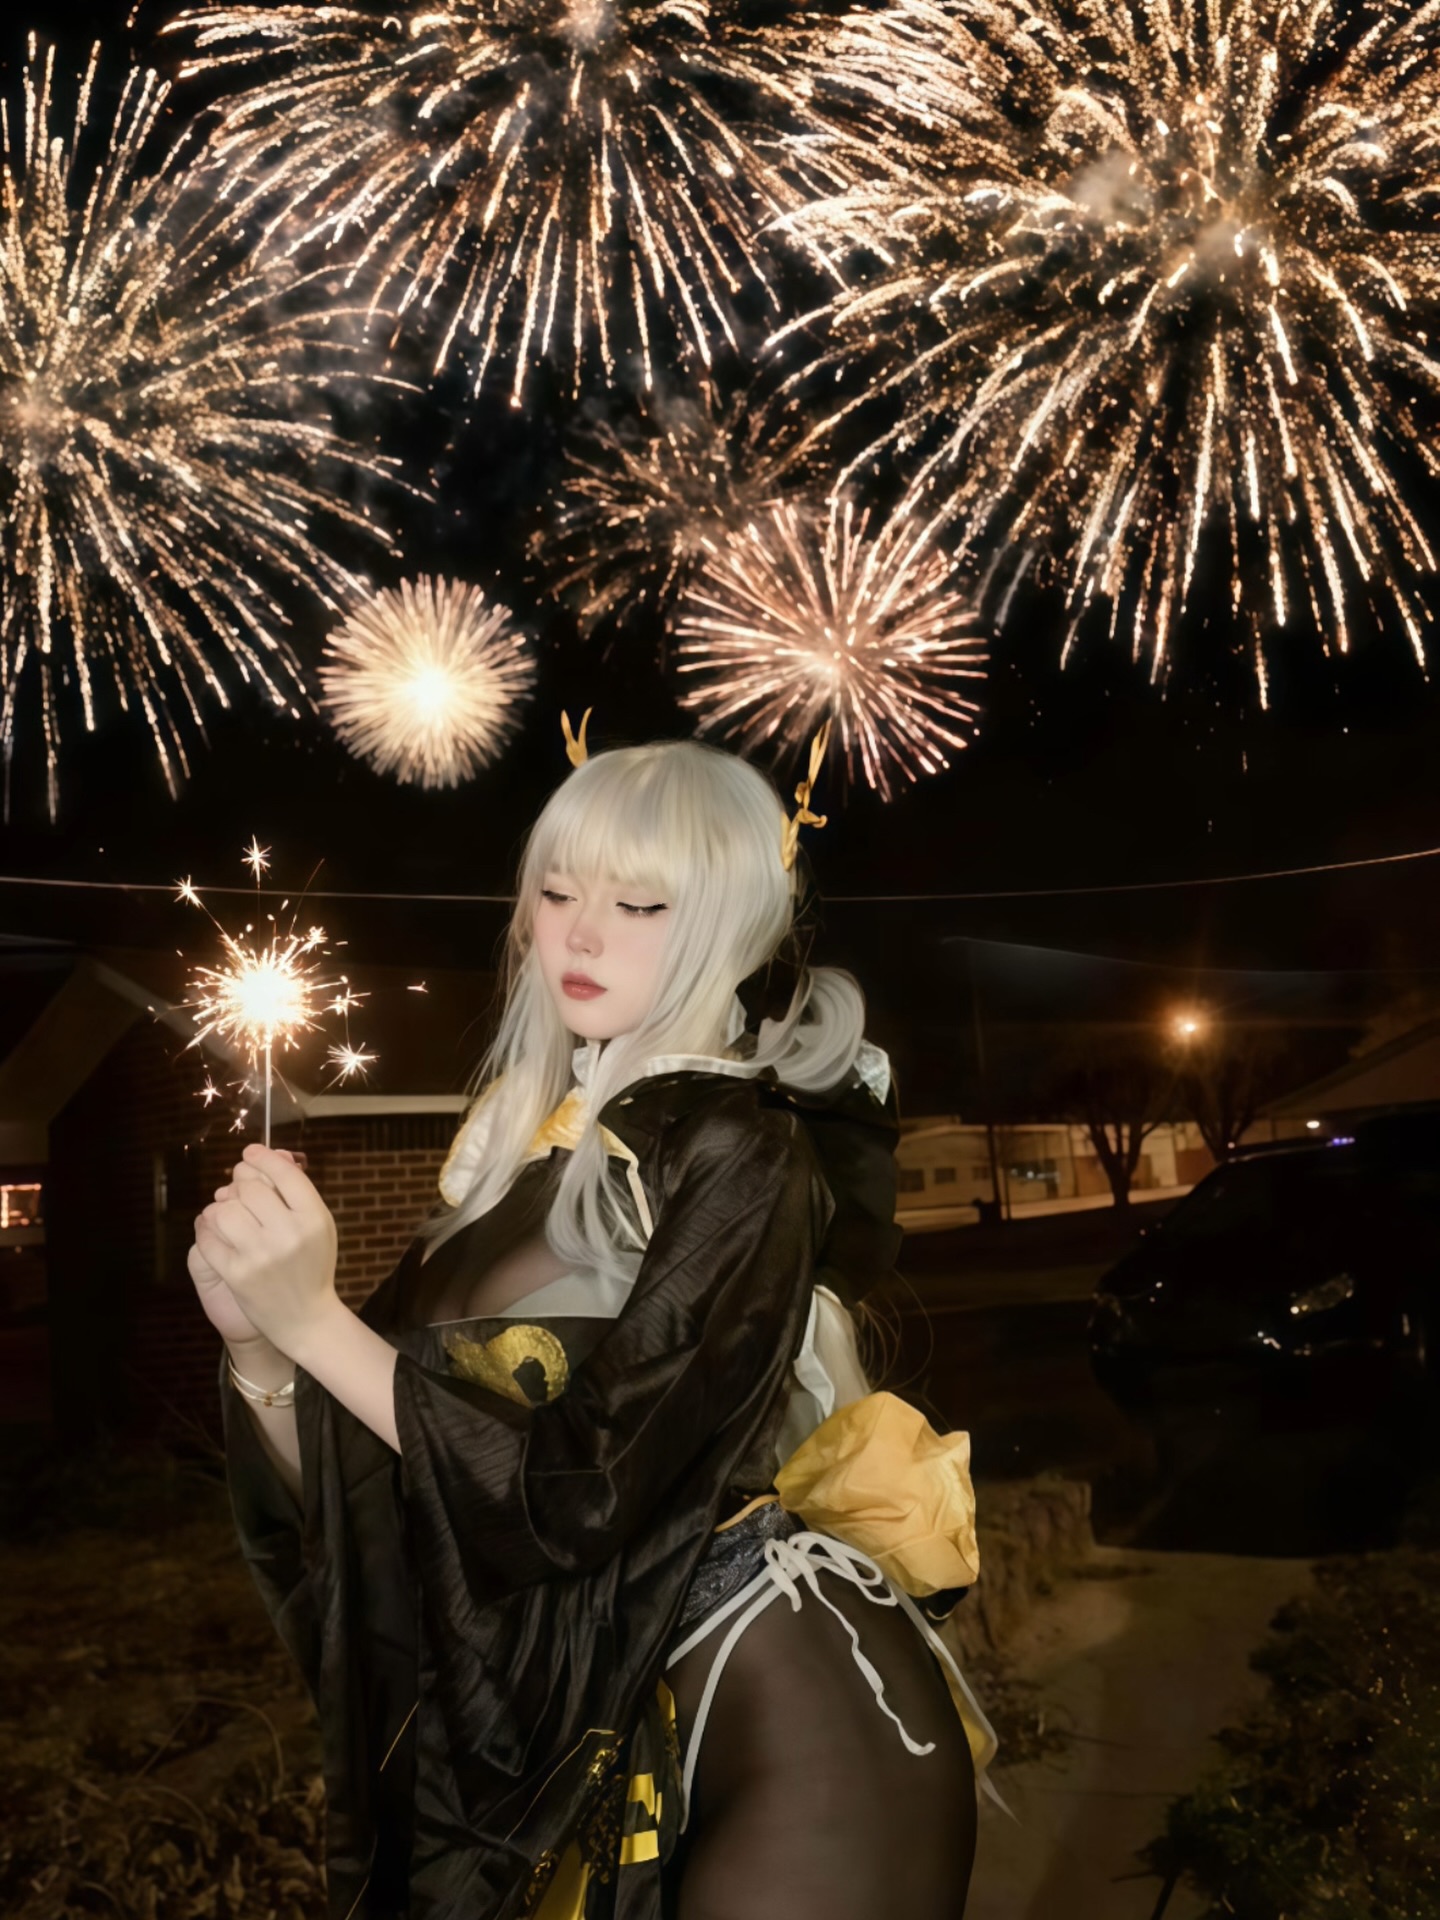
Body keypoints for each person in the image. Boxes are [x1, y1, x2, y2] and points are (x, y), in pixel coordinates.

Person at [190, 729, 990, 1920]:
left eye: (640, 902)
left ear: (728, 921)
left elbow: (583, 1490)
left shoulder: (745, 1153)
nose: (581, 933)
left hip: (779, 1709)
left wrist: (315, 1323)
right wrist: (262, 1345)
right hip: (567, 1714)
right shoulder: (510, 1167)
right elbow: (377, 1492)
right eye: (558, 892)